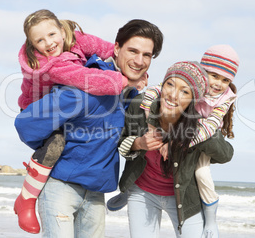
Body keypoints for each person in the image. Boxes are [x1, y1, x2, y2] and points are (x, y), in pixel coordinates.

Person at [14, 18, 164, 237]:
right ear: (116, 48)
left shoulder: (131, 94)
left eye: (147, 55)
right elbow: (26, 124)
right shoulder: (86, 87)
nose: (139, 60)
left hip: (96, 192)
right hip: (61, 188)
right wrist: (53, 147)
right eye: (132, 51)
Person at [108, 45, 240, 238]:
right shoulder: (142, 105)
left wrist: (183, 140)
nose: (174, 95)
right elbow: (120, 142)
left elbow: (225, 154)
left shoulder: (202, 123)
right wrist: (140, 143)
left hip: (184, 198)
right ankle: (125, 192)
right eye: (170, 85)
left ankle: (211, 217)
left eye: (185, 92)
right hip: (142, 191)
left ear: (195, 99)